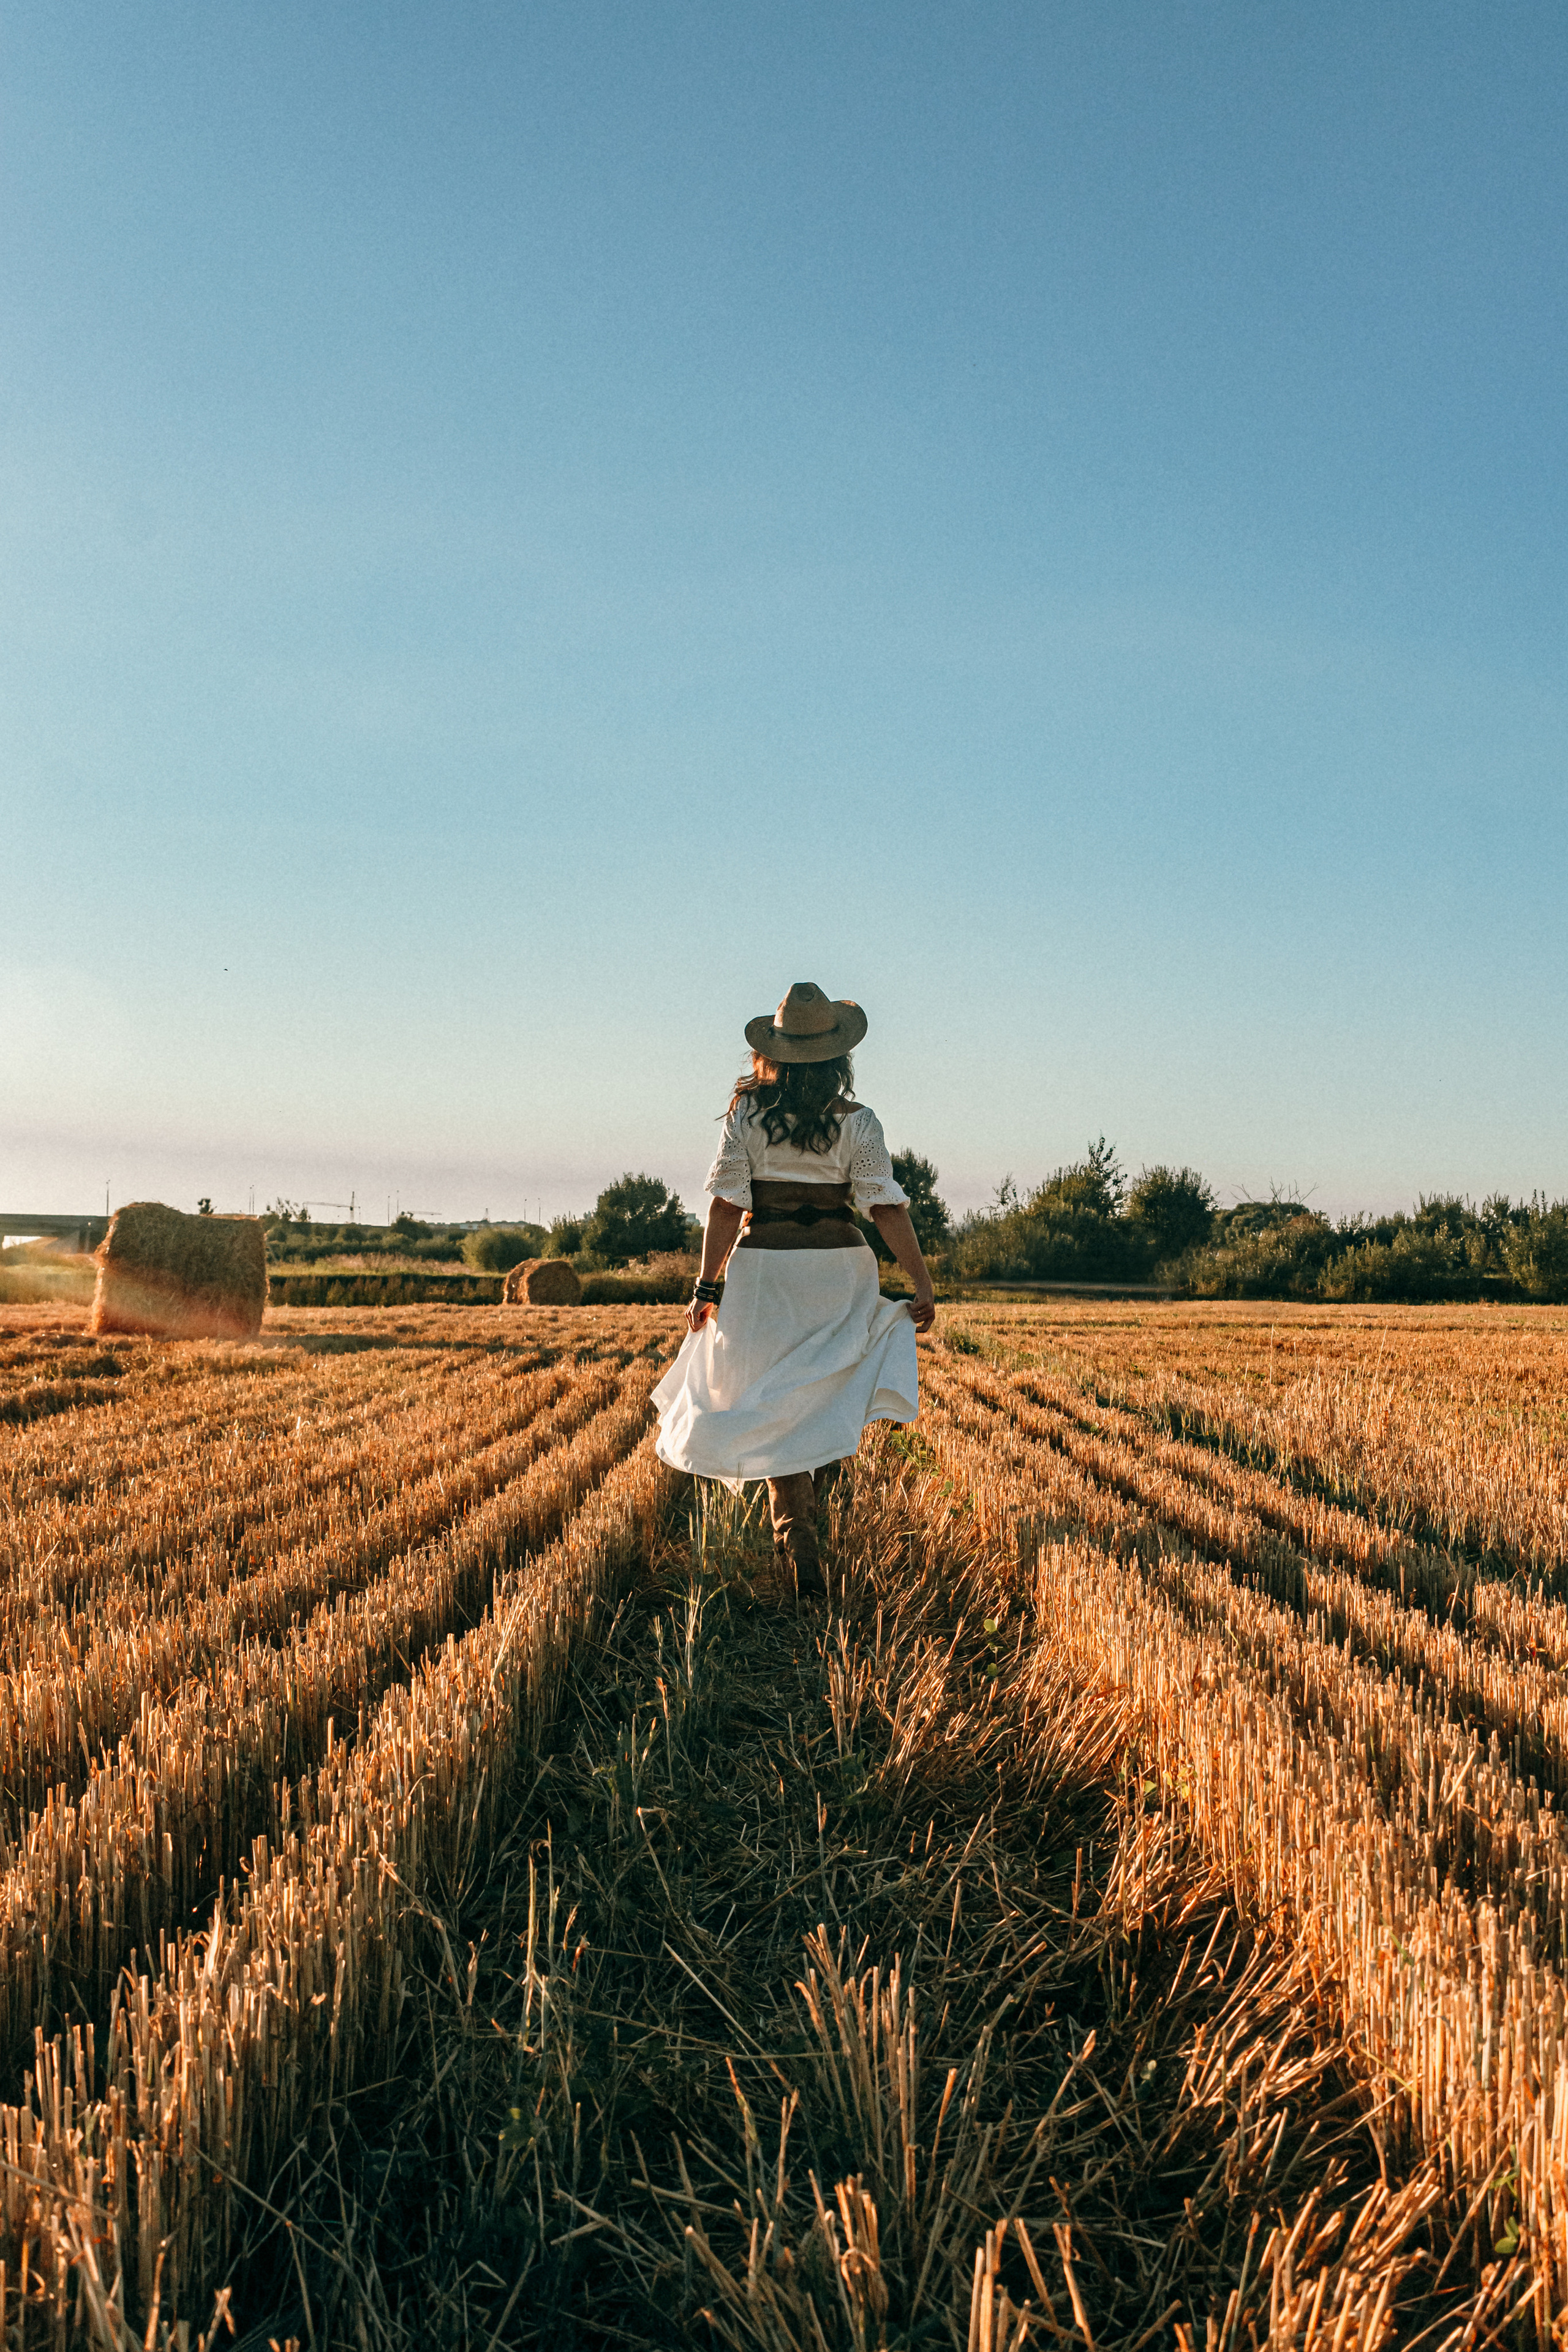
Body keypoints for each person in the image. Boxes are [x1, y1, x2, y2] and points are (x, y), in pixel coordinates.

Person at [652, 981, 937, 1601]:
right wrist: (920, 1282)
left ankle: (797, 1535)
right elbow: (885, 1208)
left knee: (771, 1396)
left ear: (773, 1054)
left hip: (766, 1272)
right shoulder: (860, 1123)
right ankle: (807, 1514)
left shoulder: (747, 1115)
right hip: (839, 1269)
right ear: (839, 1058)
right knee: (823, 1389)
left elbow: (727, 1206)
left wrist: (706, 1283)